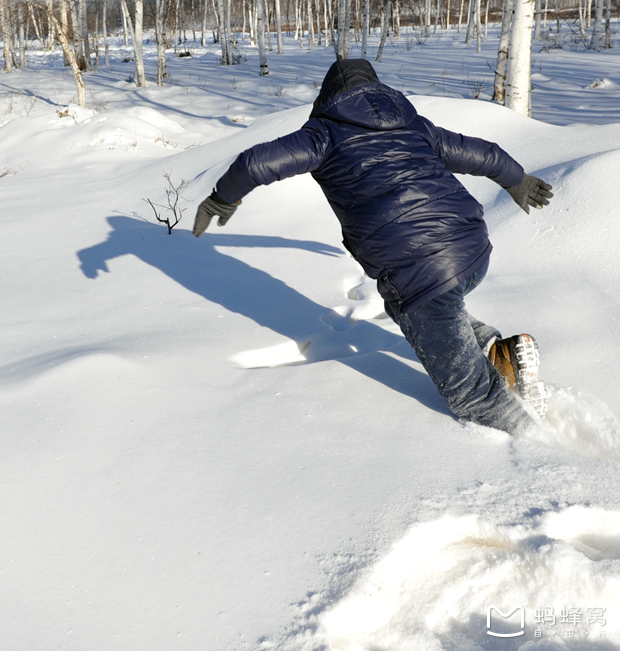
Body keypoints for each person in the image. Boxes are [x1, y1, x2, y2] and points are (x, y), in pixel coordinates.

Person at [193, 59, 553, 435]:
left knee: (468, 392)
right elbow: (480, 151)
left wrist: (222, 199)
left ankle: (532, 437)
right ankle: (500, 354)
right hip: (473, 247)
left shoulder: (324, 133)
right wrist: (518, 181)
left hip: (418, 265)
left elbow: (256, 162)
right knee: (425, 310)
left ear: (328, 97)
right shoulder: (414, 125)